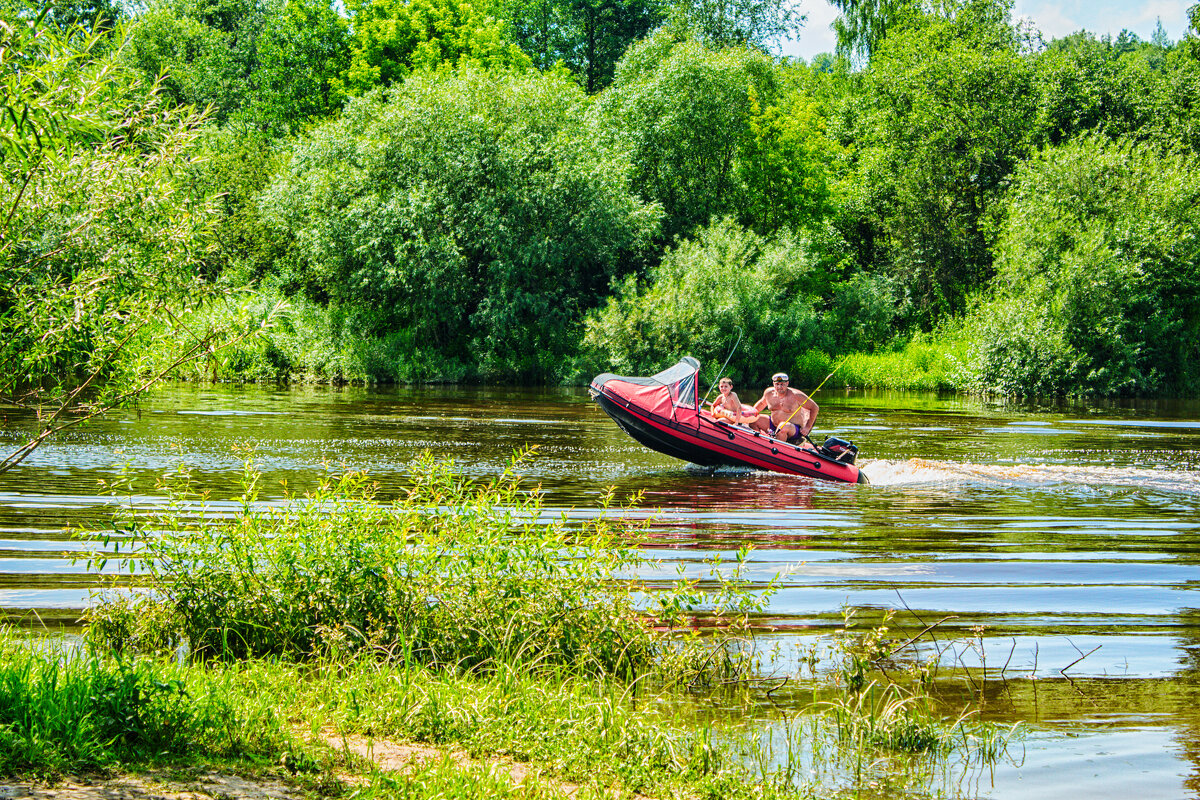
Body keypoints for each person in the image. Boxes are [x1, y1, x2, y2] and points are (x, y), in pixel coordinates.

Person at [752, 372, 818, 443]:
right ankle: (758, 444)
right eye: (777, 384)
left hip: (792, 429)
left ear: (787, 383)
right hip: (773, 425)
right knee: (754, 420)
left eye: (782, 384)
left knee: (783, 426)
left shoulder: (797, 395)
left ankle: (778, 448)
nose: (779, 387)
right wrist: (750, 414)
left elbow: (814, 407)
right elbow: (761, 404)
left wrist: (808, 427)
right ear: (773, 384)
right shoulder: (768, 393)